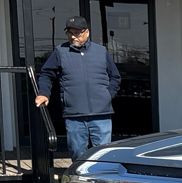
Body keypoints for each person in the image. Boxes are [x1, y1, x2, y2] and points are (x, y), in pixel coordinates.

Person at [35, 16, 121, 160]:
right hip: (74, 115)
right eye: (70, 33)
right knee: (77, 152)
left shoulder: (101, 51)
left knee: (103, 154)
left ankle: (98, 180)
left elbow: (115, 77)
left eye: (77, 33)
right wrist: (43, 93)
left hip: (101, 114)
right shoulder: (60, 52)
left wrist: (107, 96)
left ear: (86, 32)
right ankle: (80, 178)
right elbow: (46, 74)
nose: (73, 36)